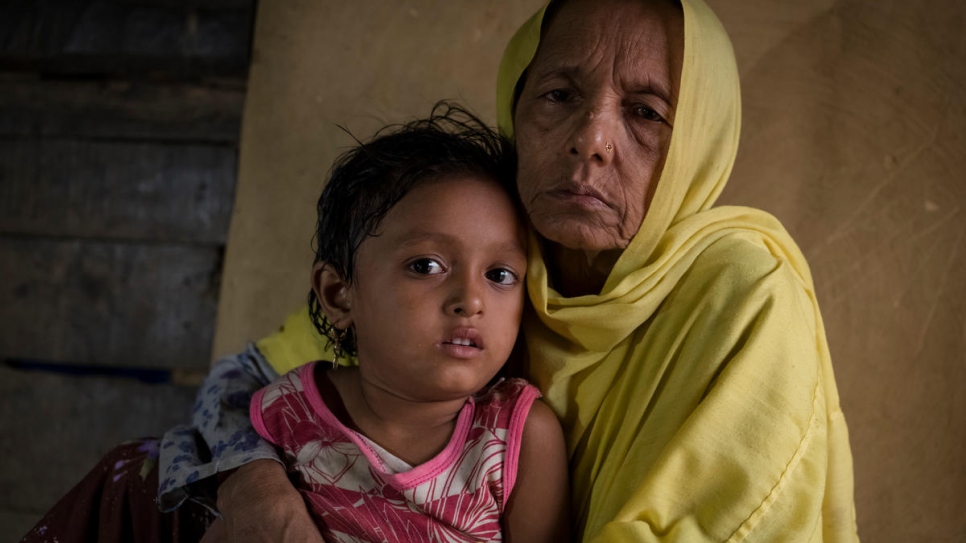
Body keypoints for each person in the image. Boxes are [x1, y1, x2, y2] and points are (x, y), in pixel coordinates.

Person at [25, 0, 859, 541]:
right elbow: (246, 382)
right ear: (517, 111)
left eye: (645, 113)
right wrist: (256, 486)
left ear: (700, 141)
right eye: (559, 95)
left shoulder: (742, 290)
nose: (592, 140)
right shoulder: (491, 241)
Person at [202, 107, 570, 542]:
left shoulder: (519, 440)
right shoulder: (289, 411)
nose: (471, 300)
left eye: (500, 275)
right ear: (340, 294)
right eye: (426, 265)